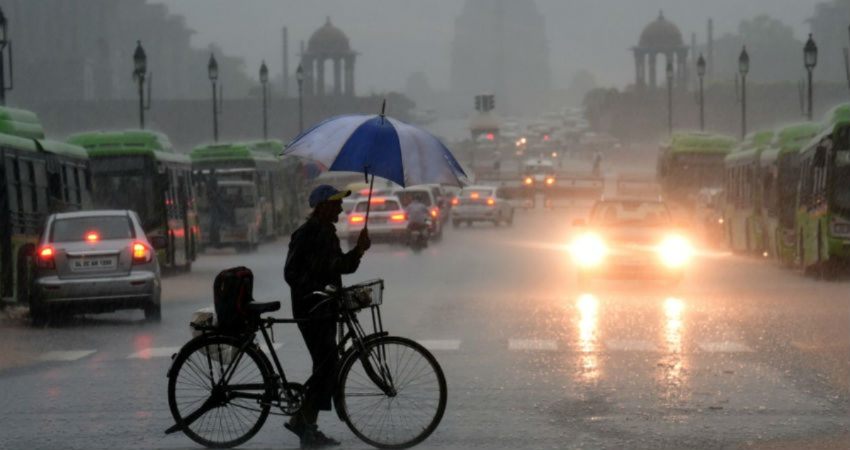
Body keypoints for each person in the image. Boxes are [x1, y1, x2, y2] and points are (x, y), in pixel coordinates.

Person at [283, 184, 371, 448]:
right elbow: (292, 273)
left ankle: (306, 423)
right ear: (322, 206)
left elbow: (338, 267)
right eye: (336, 204)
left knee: (326, 367)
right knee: (326, 366)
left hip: (325, 308)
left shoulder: (326, 232)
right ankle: (303, 422)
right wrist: (318, 288)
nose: (340, 208)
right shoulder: (308, 233)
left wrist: (358, 251)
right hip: (312, 310)